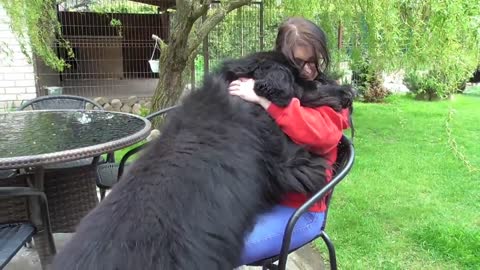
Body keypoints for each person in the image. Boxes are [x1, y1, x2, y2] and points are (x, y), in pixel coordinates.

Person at [228, 17, 352, 265]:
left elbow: (322, 135)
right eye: (299, 62)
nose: (308, 69)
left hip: (299, 213)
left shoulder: (332, 96)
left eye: (313, 61)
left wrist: (267, 101)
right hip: (257, 199)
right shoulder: (273, 78)